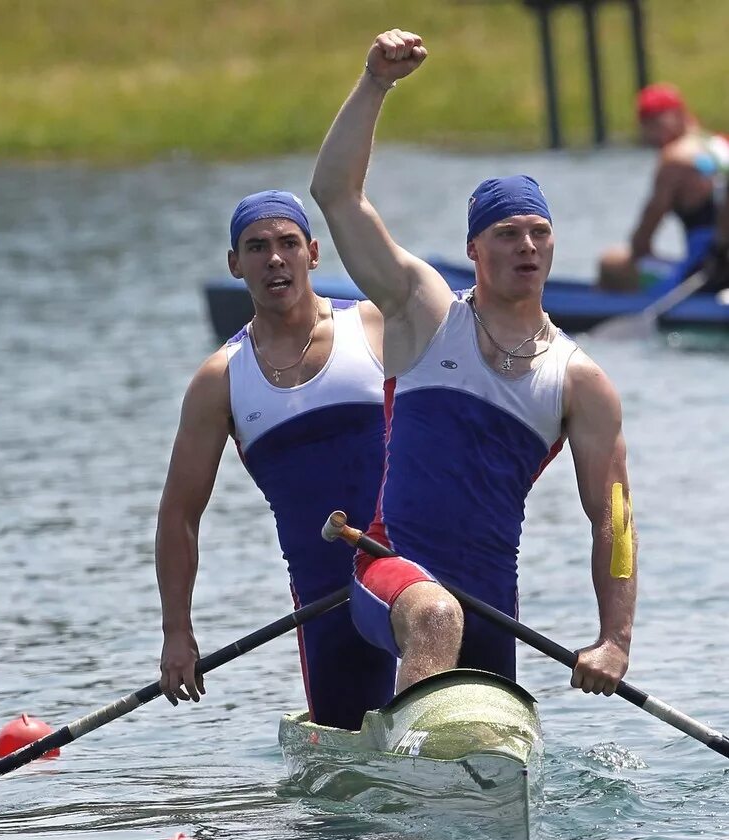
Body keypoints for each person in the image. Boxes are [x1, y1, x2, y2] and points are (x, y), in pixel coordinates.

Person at [310, 29, 637, 697]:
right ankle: (406, 770)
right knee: (434, 616)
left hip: (490, 597)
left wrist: (613, 640)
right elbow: (336, 195)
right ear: (474, 249)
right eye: (507, 233)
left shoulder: (579, 381)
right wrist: (375, 83)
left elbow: (614, 518)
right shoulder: (424, 310)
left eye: (538, 233)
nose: (526, 245)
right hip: (391, 570)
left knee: (489, 749)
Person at [156, 189, 396, 730]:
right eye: (257, 247)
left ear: (313, 253)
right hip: (324, 602)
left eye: (288, 243)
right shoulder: (220, 380)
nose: (275, 259)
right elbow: (179, 517)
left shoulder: (376, 327)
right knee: (347, 793)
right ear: (234, 264)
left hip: (412, 571)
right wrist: (178, 632)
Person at [598, 83, 729, 293]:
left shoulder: (674, 159)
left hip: (704, 273)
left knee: (611, 264)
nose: (649, 135)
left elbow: (642, 240)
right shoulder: (720, 144)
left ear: (676, 116)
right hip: (719, 262)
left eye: (652, 124)